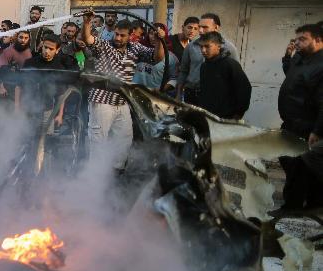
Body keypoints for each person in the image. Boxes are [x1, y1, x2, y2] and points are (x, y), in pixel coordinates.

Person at [82, 13, 166, 171]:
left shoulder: (136, 48)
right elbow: (88, 40)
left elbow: (157, 58)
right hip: (102, 101)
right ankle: (94, 176)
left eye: (122, 35)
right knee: (99, 141)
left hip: (122, 102)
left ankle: (116, 173)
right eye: (117, 34)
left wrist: (160, 41)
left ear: (130, 35)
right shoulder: (105, 45)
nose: (118, 38)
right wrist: (86, 22)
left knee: (124, 141)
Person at [278, 23, 323, 208]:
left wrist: (318, 131)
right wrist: (287, 57)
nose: (297, 43)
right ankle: (301, 203)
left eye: (302, 39)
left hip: (307, 127)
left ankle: (293, 208)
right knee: (289, 163)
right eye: (296, 39)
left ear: (319, 40)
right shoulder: (301, 58)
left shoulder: (320, 66)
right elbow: (291, 75)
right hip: (291, 124)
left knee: (300, 169)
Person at [177, 13, 238, 104]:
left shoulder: (229, 48)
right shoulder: (191, 46)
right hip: (192, 95)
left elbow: (235, 77)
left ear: (216, 28)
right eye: (200, 27)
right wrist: (178, 95)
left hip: (216, 97)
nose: (200, 31)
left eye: (205, 27)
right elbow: (183, 71)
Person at [22, 33, 79, 128]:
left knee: (46, 138)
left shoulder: (59, 67)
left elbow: (62, 94)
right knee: (27, 137)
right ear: (42, 45)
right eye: (45, 47)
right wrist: (19, 108)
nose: (46, 51)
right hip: (29, 108)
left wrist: (60, 115)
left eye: (51, 49)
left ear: (57, 50)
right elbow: (20, 86)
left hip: (48, 110)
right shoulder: (30, 63)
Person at [193, 32, 251, 119]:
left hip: (227, 117)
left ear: (218, 46)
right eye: (201, 47)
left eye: (207, 46)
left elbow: (244, 89)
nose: (203, 50)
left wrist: (239, 113)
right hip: (207, 115)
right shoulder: (204, 66)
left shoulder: (230, 64)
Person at [0, 30, 33, 109]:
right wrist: (1, 87)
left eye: (26, 38)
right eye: (21, 37)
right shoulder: (8, 51)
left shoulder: (28, 51)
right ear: (16, 38)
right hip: (8, 87)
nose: (23, 40)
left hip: (22, 88)